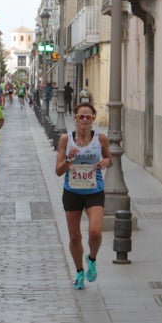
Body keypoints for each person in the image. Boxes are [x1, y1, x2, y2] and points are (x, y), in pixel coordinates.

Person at [54, 100, 113, 290]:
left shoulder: (100, 139)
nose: (85, 120)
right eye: (81, 117)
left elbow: (109, 159)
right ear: (75, 119)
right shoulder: (66, 139)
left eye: (89, 117)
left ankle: (92, 259)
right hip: (72, 192)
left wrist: (105, 162)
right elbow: (58, 170)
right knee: (75, 237)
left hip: (94, 190)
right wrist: (69, 159)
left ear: (93, 119)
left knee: (95, 232)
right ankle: (79, 272)